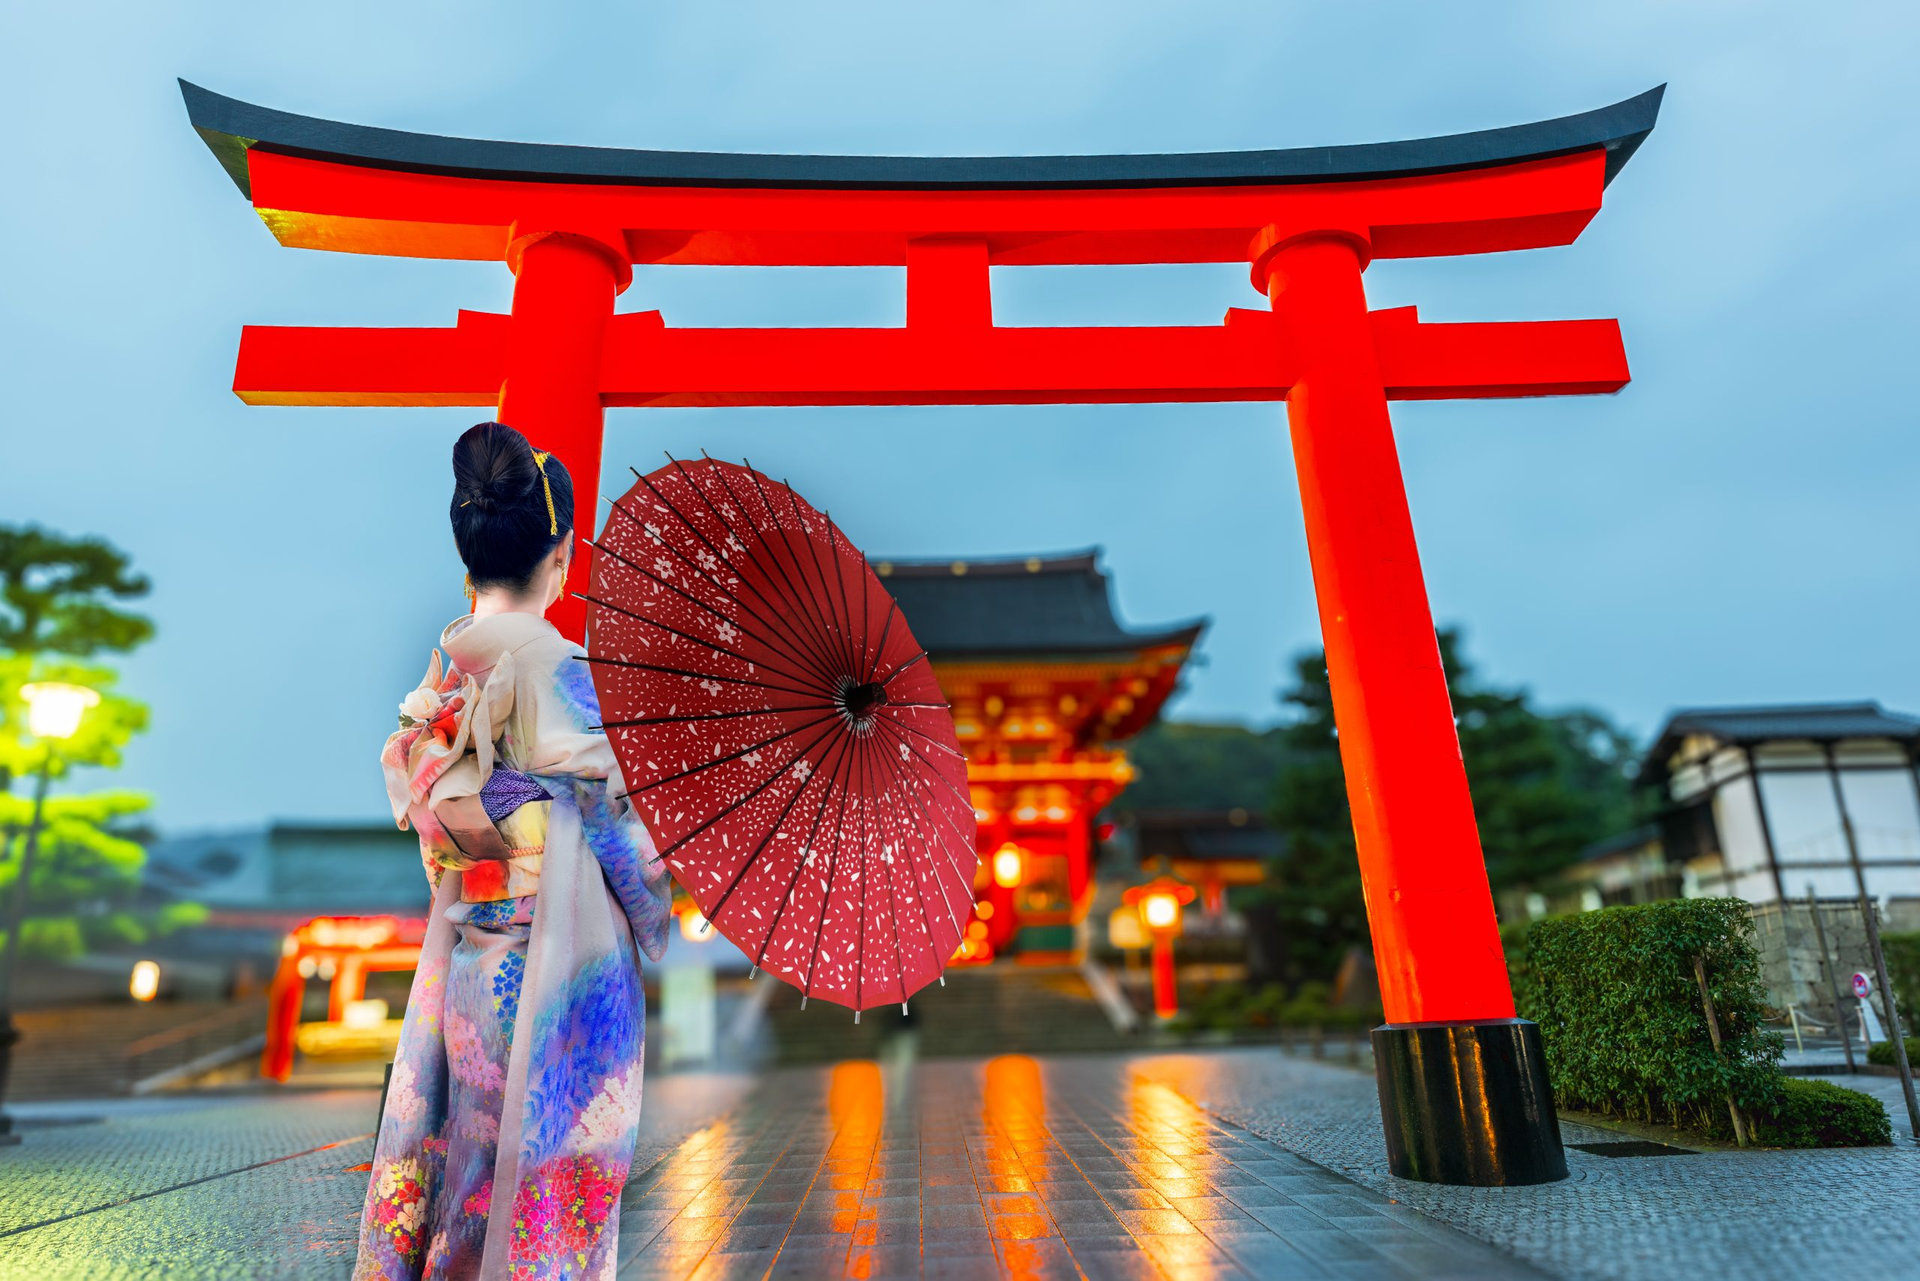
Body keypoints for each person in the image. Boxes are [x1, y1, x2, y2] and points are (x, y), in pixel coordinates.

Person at [356, 422, 671, 1280]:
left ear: (471, 565)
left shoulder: (448, 682)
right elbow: (626, 841)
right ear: (561, 555)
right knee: (552, 1197)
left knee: (470, 1182)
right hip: (557, 970)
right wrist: (660, 898)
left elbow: (443, 817)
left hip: (469, 959)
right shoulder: (565, 674)